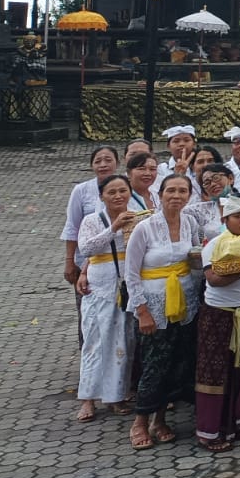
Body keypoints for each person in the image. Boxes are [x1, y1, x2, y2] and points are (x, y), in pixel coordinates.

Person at [123, 173, 201, 450]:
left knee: (176, 363)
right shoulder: (145, 228)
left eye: (183, 191)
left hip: (184, 303)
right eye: (171, 191)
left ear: (189, 195)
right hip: (153, 305)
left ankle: (160, 419)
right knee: (154, 364)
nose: (176, 196)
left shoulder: (190, 222)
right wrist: (142, 311)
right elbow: (131, 273)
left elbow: (194, 259)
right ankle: (140, 422)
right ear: (161, 194)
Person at [194, 193, 240, 451]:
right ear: (226, 218)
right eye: (238, 216)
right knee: (216, 373)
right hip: (219, 316)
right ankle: (210, 430)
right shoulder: (215, 244)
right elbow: (213, 279)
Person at [74, 174, 140, 422]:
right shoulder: (92, 220)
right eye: (111, 192)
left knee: (122, 342)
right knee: (94, 340)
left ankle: (115, 396)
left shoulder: (137, 217)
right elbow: (87, 249)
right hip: (99, 286)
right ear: (102, 195)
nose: (118, 196)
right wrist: (113, 228)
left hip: (126, 285)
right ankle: (88, 398)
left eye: (123, 191)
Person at [63, 145, 122, 304]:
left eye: (108, 160)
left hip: (120, 260)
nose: (103, 164)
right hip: (87, 258)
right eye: (98, 161)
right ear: (92, 166)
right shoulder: (81, 190)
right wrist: (70, 261)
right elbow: (72, 227)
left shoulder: (124, 187)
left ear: (118, 163)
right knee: (87, 307)